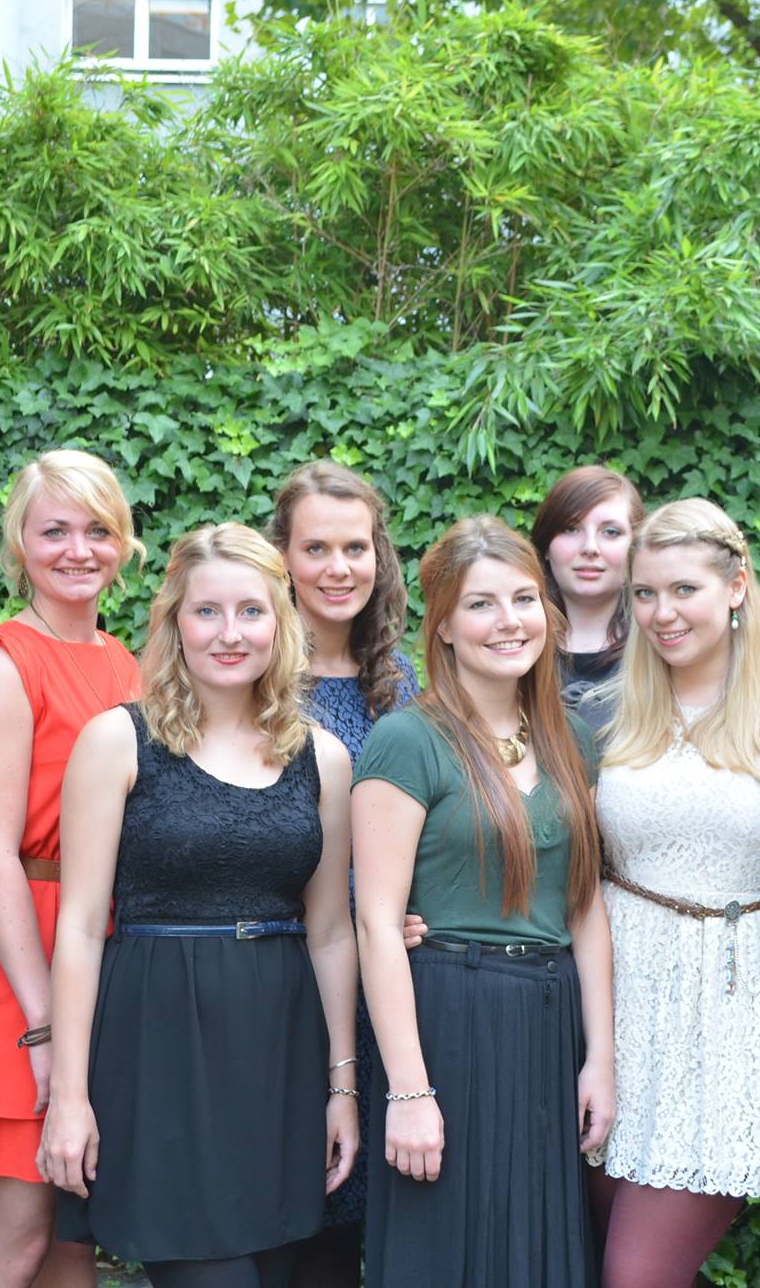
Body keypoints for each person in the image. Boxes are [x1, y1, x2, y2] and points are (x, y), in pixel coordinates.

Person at [39, 524, 358, 1288]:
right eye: (207, 611)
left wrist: (341, 1090)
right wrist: (70, 1097)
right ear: (175, 621)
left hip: (280, 1057)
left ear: (280, 623)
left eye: (250, 611)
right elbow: (80, 928)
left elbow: (330, 933)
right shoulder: (117, 741)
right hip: (159, 1054)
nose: (229, 633)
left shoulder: (323, 757)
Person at [354, 516, 615, 1288]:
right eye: (481, 604)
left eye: (524, 599)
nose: (509, 621)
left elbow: (585, 906)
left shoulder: (571, 739)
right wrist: (409, 1090)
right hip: (448, 1022)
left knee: (537, 1254)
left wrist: (600, 1059)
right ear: (443, 627)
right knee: (448, 1252)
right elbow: (376, 922)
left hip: (548, 1026)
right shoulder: (407, 741)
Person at [579, 499, 760, 1287]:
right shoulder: (601, 715)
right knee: (591, 1252)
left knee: (637, 1273)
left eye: (684, 589)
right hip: (615, 1013)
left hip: (734, 1017)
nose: (662, 613)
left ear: (737, 585)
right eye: (645, 593)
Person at [0, 449, 145, 1288]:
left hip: (102, 946)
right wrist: (43, 1025)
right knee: (18, 1237)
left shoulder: (128, 663)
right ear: (19, 545)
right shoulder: (5, 664)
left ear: (123, 542)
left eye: (98, 529)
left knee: (72, 1240)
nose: (78, 550)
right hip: (18, 959)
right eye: (54, 530)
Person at [265, 460, 421, 1286]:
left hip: (386, 986)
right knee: (282, 1213)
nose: (337, 568)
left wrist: (420, 909)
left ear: (378, 557)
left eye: (355, 548)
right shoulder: (252, 680)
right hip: (287, 976)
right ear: (282, 558)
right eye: (316, 548)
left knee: (351, 1228)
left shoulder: (406, 687)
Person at [530, 466, 644, 700]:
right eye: (571, 529)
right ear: (546, 546)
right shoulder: (516, 642)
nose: (590, 547)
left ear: (636, 547)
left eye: (610, 532)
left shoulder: (659, 643)